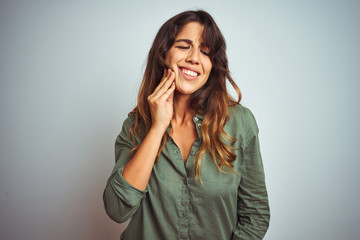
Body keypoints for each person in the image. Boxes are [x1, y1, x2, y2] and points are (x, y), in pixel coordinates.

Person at [103, 10, 270, 240]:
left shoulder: (240, 123)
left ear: (212, 64)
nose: (194, 58)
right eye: (184, 46)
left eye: (205, 51)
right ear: (164, 54)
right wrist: (157, 128)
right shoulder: (136, 125)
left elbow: (255, 215)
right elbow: (117, 209)